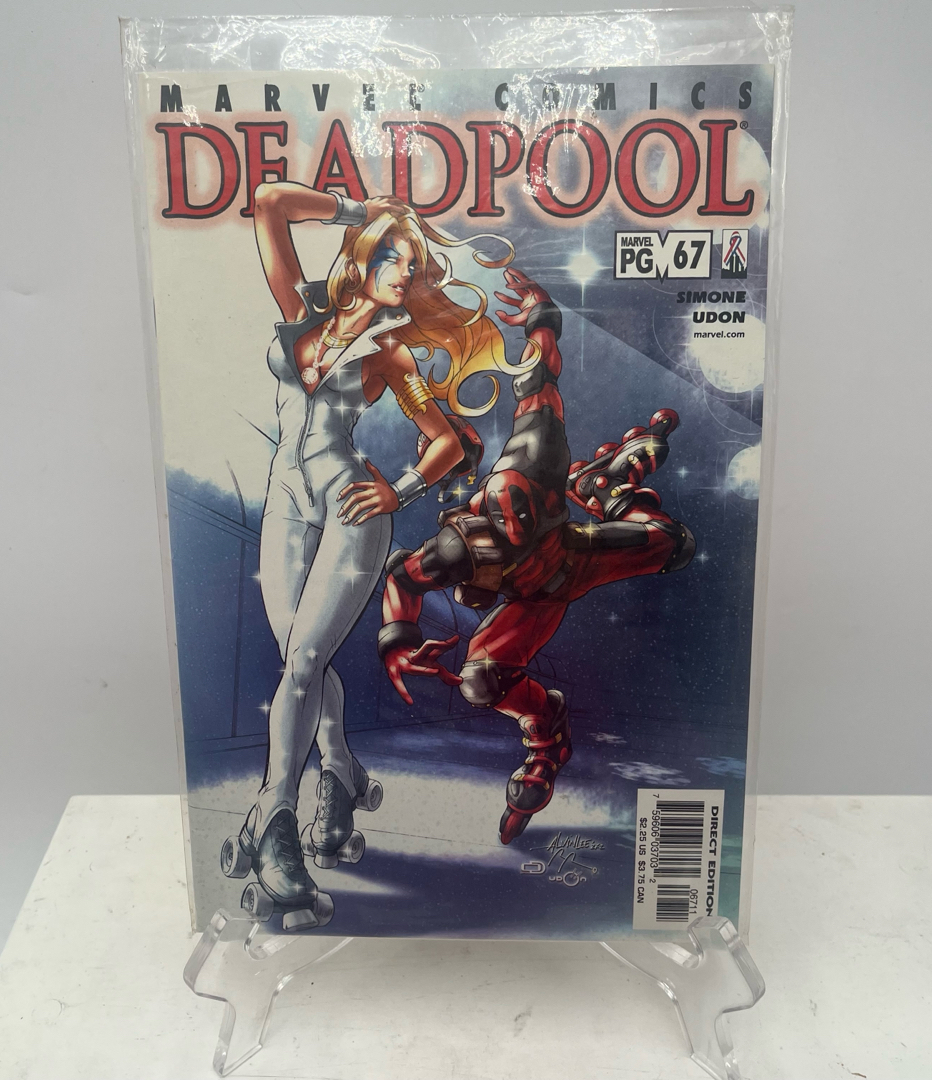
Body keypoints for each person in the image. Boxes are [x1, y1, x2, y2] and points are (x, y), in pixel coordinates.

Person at [221, 183, 534, 929]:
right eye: (392, 257)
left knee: (303, 663)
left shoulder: (391, 352)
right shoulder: (302, 312)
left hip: (349, 507)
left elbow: (447, 442)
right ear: (362, 258)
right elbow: (268, 202)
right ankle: (342, 773)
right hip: (285, 501)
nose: (403, 271)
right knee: (300, 661)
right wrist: (363, 213)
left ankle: (274, 819)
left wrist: (398, 490)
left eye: (413, 263)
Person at [378, 268, 696, 844]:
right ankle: (547, 734)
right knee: (481, 680)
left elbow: (540, 377)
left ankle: (608, 490)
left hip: (574, 557)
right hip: (536, 596)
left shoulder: (536, 453)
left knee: (675, 545)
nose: (512, 525)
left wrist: (541, 315)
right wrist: (397, 644)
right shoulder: (461, 547)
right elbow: (403, 579)